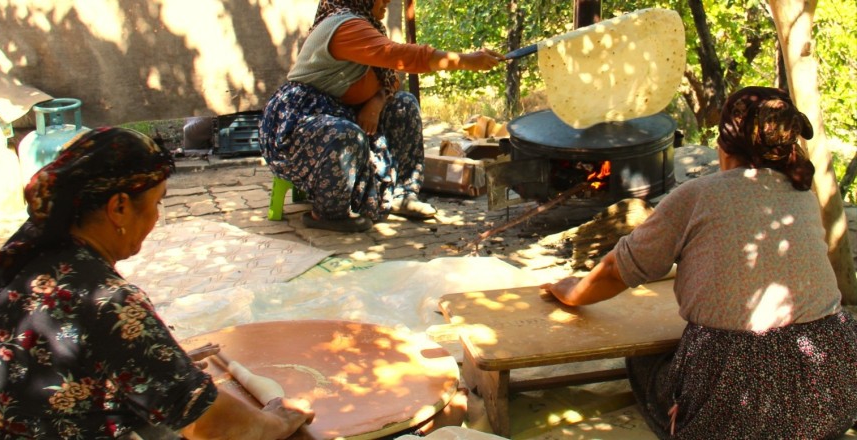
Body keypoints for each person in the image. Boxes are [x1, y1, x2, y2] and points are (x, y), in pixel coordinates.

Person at [541, 87, 857, 439]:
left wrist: (571, 292)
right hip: (833, 387)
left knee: (644, 362)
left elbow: (618, 270)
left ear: (724, 147)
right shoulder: (802, 195)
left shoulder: (697, 195)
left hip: (743, 406)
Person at [0, 128, 313, 439]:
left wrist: (161, 363)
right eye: (156, 203)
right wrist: (276, 418)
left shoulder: (22, 249)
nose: (156, 217)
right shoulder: (109, 303)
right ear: (119, 207)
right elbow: (215, 424)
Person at [259, 0, 504, 232]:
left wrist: (376, 102)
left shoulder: (367, 24)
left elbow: (389, 75)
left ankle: (403, 195)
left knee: (403, 105)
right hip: (299, 123)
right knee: (345, 135)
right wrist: (466, 60)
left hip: (343, 113)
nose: (387, 1)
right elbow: (400, 56)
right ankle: (327, 213)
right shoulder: (344, 27)